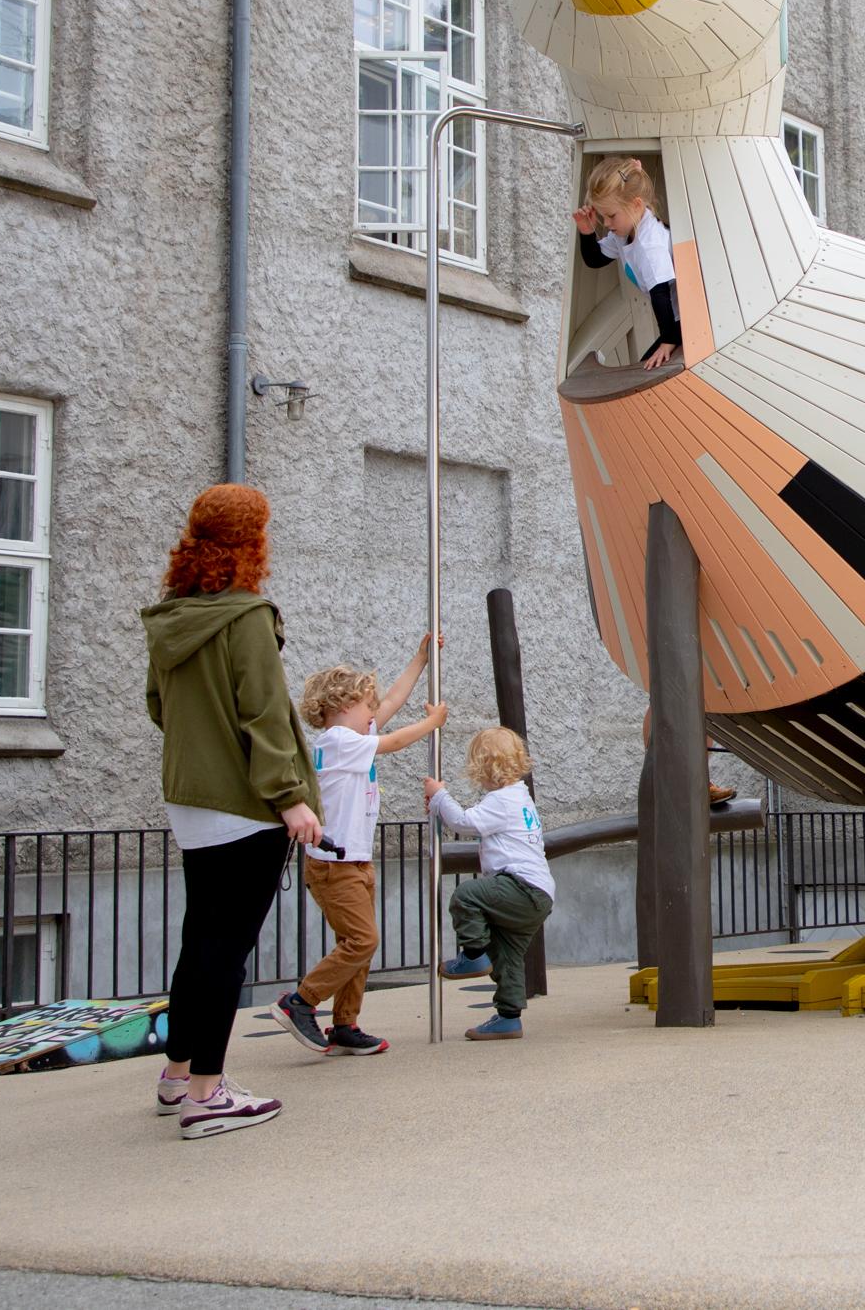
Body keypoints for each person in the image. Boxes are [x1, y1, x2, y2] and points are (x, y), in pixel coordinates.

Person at [142, 484, 321, 1140]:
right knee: (226, 950)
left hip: (190, 800)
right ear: (252, 542)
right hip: (246, 805)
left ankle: (176, 1074)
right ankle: (207, 1094)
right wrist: (292, 798)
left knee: (201, 940)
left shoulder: (173, 617)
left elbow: (158, 709)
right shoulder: (246, 617)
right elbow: (266, 716)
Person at [269, 638, 449, 1057]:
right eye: (367, 704)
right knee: (363, 940)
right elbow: (396, 742)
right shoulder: (336, 741)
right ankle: (300, 1002)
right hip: (336, 865)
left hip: (354, 860)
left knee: (358, 944)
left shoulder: (351, 736)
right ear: (342, 705)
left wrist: (421, 659)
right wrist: (433, 723)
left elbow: (394, 701)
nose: (374, 712)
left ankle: (345, 1023)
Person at [427, 726, 557, 1041]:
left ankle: (473, 954)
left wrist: (439, 795)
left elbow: (464, 823)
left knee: (466, 895)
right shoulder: (521, 797)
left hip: (519, 885)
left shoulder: (502, 800)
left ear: (484, 769)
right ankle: (508, 1017)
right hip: (539, 894)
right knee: (507, 953)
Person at [573, 155, 682, 371]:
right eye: (603, 216)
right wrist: (587, 232)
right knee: (641, 371)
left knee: (646, 372)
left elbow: (660, 293)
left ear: (636, 205)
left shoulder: (650, 245)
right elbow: (595, 259)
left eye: (611, 215)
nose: (606, 223)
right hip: (675, 318)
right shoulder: (624, 233)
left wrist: (667, 342)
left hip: (687, 318)